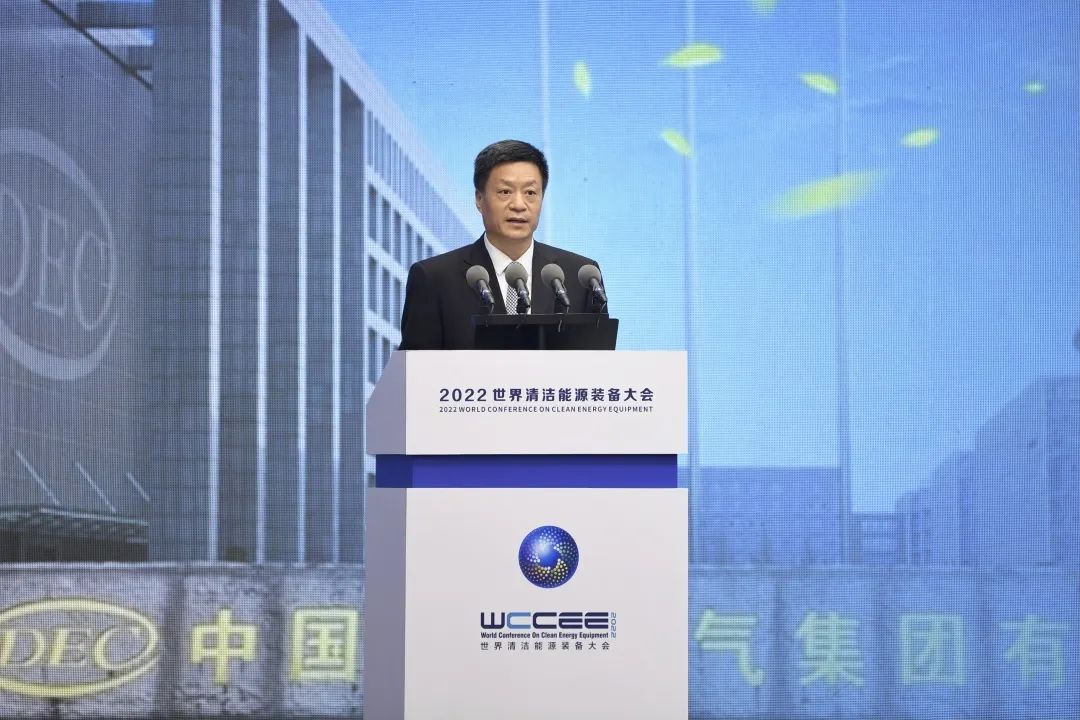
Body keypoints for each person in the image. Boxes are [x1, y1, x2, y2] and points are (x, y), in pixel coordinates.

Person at [398, 139, 604, 350]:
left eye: (530, 193)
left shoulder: (581, 276)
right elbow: (413, 367)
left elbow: (598, 364)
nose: (518, 205)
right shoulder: (434, 278)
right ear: (479, 199)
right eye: (505, 192)